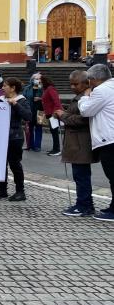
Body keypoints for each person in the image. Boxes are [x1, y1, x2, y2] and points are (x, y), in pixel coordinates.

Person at [54, 70, 98, 217]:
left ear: (86, 83)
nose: (72, 87)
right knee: (80, 176)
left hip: (81, 143)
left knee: (82, 176)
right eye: (71, 84)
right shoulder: (80, 96)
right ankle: (84, 204)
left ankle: (84, 205)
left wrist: (63, 115)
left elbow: (83, 119)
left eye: (76, 84)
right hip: (77, 142)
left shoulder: (87, 97)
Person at [78, 64, 114, 221]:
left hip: (109, 139)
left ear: (95, 79)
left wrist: (85, 96)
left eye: (90, 80)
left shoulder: (101, 91)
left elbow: (86, 111)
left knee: (113, 175)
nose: (89, 83)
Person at [0, 77, 32, 202]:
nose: (2, 88)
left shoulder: (21, 100)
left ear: (13, 88)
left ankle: (20, 191)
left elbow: (28, 116)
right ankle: (2, 189)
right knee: (1, 165)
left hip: (14, 137)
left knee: (15, 164)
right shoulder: (0, 100)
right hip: (1, 137)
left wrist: (15, 104)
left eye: (5, 86)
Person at [41, 75, 62, 156]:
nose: (40, 83)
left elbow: (56, 101)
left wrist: (55, 112)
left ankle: (57, 149)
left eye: (41, 81)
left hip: (53, 114)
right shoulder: (46, 89)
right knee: (53, 132)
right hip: (49, 113)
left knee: (54, 132)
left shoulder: (50, 88)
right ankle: (55, 148)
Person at [22, 73, 43, 151]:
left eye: (39, 78)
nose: (38, 80)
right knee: (29, 128)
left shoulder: (43, 88)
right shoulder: (27, 88)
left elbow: (47, 98)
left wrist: (40, 98)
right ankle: (30, 145)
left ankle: (37, 146)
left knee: (39, 128)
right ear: (32, 79)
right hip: (30, 110)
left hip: (40, 111)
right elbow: (23, 98)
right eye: (36, 78)